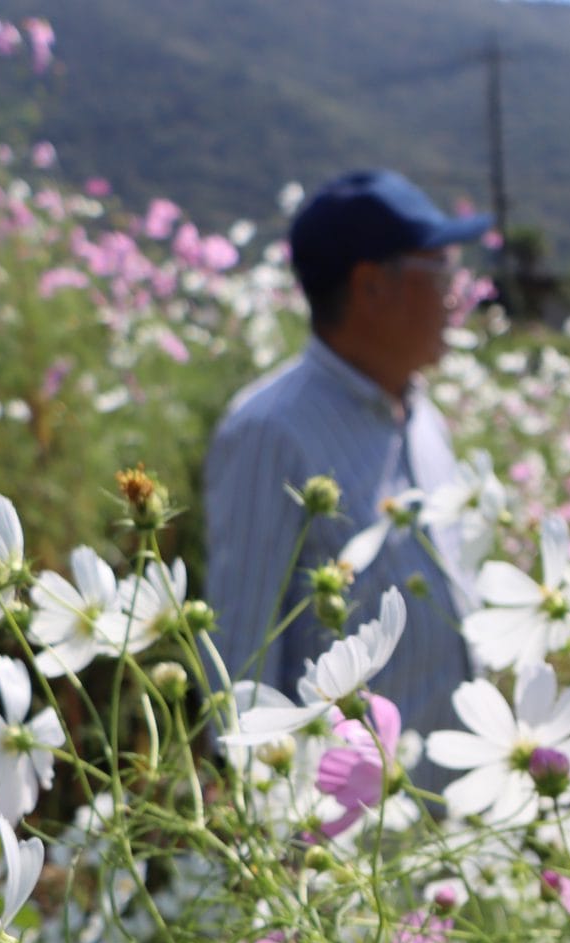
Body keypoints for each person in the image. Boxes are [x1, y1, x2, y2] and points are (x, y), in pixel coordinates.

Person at [202, 169, 490, 755]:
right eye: (442, 271)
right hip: (348, 829)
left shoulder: (419, 409)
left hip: (455, 809)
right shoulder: (270, 432)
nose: (457, 295)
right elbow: (239, 667)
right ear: (371, 286)